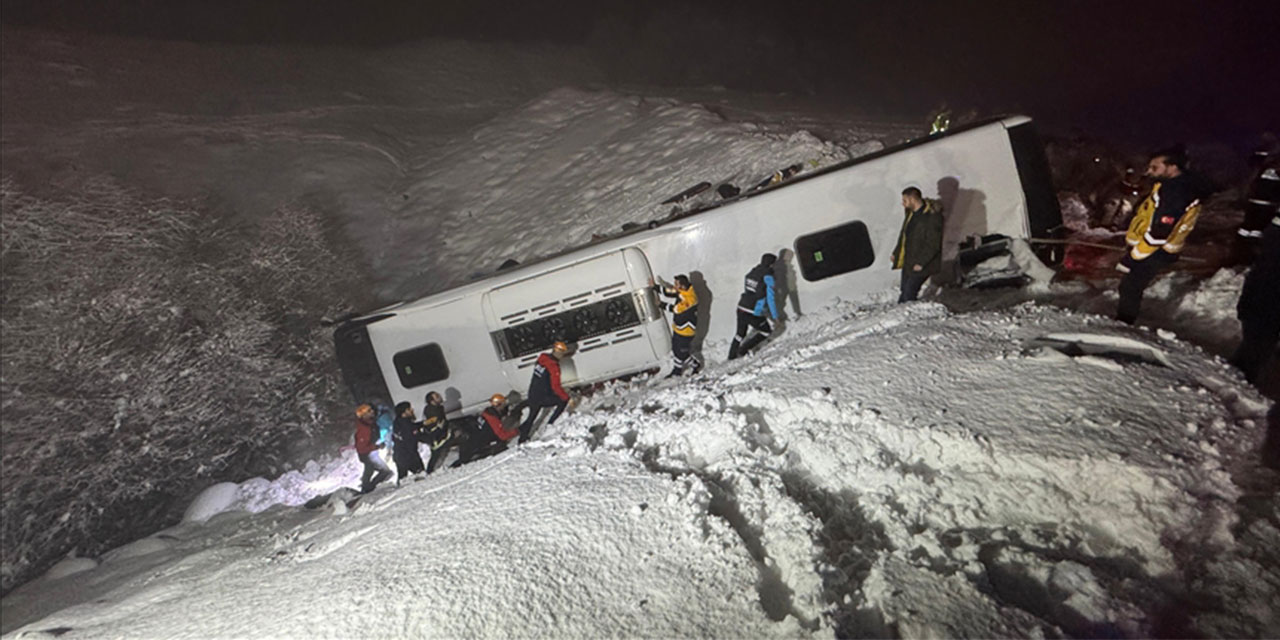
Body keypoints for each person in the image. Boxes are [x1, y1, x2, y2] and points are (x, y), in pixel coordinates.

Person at [1115, 146, 1215, 325]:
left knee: (1131, 287)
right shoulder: (1170, 185)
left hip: (1156, 249)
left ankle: (1123, 325)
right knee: (1130, 286)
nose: (1149, 171)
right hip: (1151, 247)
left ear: (1172, 167)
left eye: (1155, 167)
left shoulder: (1177, 192)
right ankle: (1123, 321)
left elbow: (1160, 232)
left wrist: (1133, 257)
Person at [1230, 215, 1280, 385]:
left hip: (1257, 309)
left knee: (1251, 350)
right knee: (1256, 353)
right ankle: (1240, 384)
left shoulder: (1272, 242)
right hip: (1266, 314)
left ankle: (1236, 379)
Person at [891, 187, 945, 303]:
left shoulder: (932, 216)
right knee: (904, 291)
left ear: (912, 199)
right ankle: (903, 314)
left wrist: (922, 262)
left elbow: (933, 243)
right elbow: (904, 235)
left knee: (910, 292)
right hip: (909, 261)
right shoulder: (910, 214)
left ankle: (910, 316)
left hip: (923, 263)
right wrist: (897, 252)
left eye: (905, 200)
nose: (903, 204)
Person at [518, 341, 572, 443]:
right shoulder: (554, 367)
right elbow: (556, 386)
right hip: (542, 396)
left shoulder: (542, 358)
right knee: (562, 401)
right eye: (562, 353)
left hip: (533, 393)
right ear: (560, 353)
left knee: (531, 417)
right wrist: (566, 397)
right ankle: (550, 425)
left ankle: (522, 438)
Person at [728, 253, 779, 359]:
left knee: (739, 334)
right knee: (766, 331)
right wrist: (775, 316)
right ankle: (743, 350)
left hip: (741, 306)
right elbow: (770, 298)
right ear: (771, 264)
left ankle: (731, 356)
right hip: (753, 310)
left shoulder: (753, 272)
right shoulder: (768, 277)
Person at [452, 393, 520, 467]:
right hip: (476, 447)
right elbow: (502, 436)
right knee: (501, 446)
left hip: (469, 443)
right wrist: (516, 431)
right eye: (503, 404)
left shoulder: (486, 412)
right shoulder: (493, 419)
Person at [657, 275, 701, 377]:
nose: (674, 286)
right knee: (676, 350)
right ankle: (691, 365)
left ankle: (679, 370)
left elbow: (676, 309)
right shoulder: (682, 292)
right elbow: (670, 292)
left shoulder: (690, 299)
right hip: (678, 328)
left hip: (686, 331)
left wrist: (660, 304)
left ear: (683, 286)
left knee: (681, 352)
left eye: (676, 284)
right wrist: (655, 287)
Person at [354, 404, 392, 494]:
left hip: (370, 453)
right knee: (384, 471)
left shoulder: (370, 424)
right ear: (364, 415)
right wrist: (377, 446)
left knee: (371, 470)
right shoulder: (364, 429)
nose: (372, 412)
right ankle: (368, 488)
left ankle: (366, 487)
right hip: (368, 454)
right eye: (369, 411)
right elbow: (362, 447)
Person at [391, 401, 425, 485]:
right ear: (404, 412)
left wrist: (422, 424)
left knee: (403, 478)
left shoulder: (399, 422)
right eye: (409, 409)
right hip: (408, 456)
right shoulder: (406, 425)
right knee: (421, 475)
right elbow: (411, 437)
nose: (412, 410)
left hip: (400, 455)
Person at [420, 391, 453, 473]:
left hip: (441, 433)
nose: (440, 397)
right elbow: (432, 424)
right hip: (436, 435)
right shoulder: (431, 410)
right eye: (437, 396)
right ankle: (430, 471)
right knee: (436, 453)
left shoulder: (438, 408)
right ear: (432, 401)